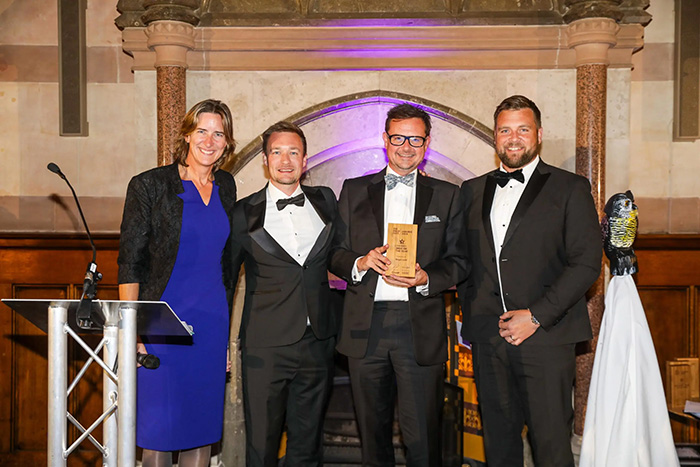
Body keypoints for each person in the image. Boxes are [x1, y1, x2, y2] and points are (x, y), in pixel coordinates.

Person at [458, 95, 602, 467]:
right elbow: (461, 258)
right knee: (499, 444)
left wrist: (535, 316)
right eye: (505, 130)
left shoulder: (570, 187)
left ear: (538, 134)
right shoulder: (471, 191)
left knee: (551, 445)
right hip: (489, 338)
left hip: (546, 338)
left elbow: (586, 265)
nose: (514, 138)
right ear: (495, 137)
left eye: (523, 129)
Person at [329, 103, 469, 467]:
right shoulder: (354, 189)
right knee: (372, 437)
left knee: (422, 436)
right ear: (384, 140)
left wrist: (427, 277)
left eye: (415, 139)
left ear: (427, 143)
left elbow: (460, 261)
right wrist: (361, 262)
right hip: (365, 326)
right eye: (398, 137)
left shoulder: (448, 195)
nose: (406, 146)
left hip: (417, 325)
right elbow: (334, 252)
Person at [118, 99, 237, 467]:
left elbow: (227, 265)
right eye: (202, 131)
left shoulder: (227, 186)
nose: (209, 140)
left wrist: (228, 341)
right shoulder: (150, 185)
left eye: (219, 133)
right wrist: (132, 333)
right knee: (159, 431)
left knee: (200, 431)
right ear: (186, 134)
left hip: (210, 325)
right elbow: (130, 263)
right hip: (161, 326)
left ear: (227, 144)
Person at [230, 121, 339, 466]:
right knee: (261, 447)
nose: (286, 160)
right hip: (265, 346)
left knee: (307, 448)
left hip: (318, 342)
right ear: (265, 159)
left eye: (294, 152)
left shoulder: (326, 200)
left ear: (305, 160)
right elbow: (225, 280)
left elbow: (344, 253)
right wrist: (222, 343)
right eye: (277, 152)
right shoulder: (241, 213)